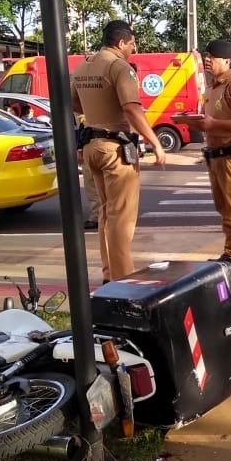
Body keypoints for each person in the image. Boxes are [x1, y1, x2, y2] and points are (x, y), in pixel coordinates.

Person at [71, 20, 166, 282]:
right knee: (122, 218)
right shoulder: (119, 67)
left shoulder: (83, 65)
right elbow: (132, 109)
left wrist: (97, 112)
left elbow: (74, 104)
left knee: (106, 213)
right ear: (121, 42)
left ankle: (109, 273)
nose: (133, 49)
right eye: (132, 44)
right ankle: (123, 280)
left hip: (92, 146)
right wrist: (155, 143)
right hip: (116, 148)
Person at [182, 39, 231, 276]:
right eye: (207, 56)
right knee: (223, 208)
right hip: (215, 157)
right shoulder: (211, 88)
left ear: (226, 61)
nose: (207, 60)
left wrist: (214, 124)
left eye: (212, 57)